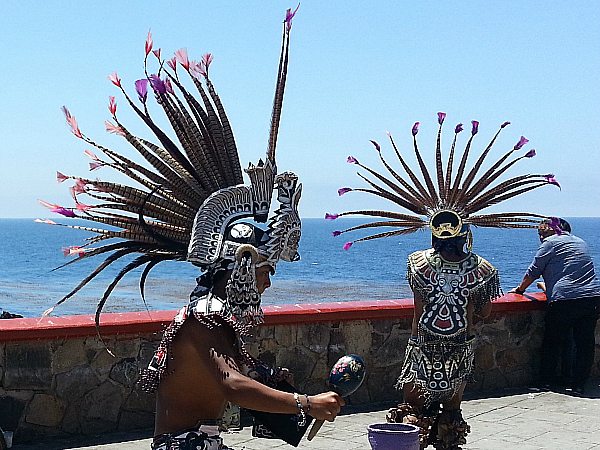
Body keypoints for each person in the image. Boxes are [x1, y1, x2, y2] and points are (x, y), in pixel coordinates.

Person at [42, 9, 343, 450]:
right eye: (265, 268)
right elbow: (231, 386)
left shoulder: (219, 321)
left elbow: (240, 383)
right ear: (239, 266)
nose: (268, 279)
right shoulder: (204, 318)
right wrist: (304, 402)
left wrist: (279, 390)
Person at [329, 116, 558, 449]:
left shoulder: (418, 264)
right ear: (465, 232)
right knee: (451, 414)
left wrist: (419, 335)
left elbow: (418, 308)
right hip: (459, 348)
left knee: (412, 412)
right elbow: (480, 313)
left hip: (422, 347)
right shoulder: (484, 270)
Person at [513, 217, 600, 394]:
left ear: (554, 229)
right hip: (591, 297)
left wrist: (520, 290)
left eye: (542, 230)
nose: (540, 234)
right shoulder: (580, 242)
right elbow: (570, 272)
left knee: (553, 342)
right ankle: (578, 385)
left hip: (565, 300)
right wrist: (547, 287)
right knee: (585, 343)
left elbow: (534, 271)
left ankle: (545, 382)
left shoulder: (550, 243)